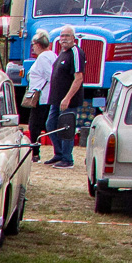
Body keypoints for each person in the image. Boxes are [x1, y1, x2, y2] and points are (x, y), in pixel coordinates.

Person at [46, 26, 84, 167]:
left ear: (73, 38)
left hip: (68, 100)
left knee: (66, 127)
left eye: (67, 36)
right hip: (56, 99)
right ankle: (59, 153)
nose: (64, 39)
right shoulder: (62, 52)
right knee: (50, 124)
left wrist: (67, 98)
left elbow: (78, 78)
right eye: (62, 36)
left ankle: (68, 159)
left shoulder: (76, 53)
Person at [26, 31, 55, 155]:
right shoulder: (52, 55)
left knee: (34, 125)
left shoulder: (43, 57)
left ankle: (35, 152)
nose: (32, 47)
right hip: (46, 96)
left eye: (34, 44)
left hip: (41, 96)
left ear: (38, 45)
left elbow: (50, 76)